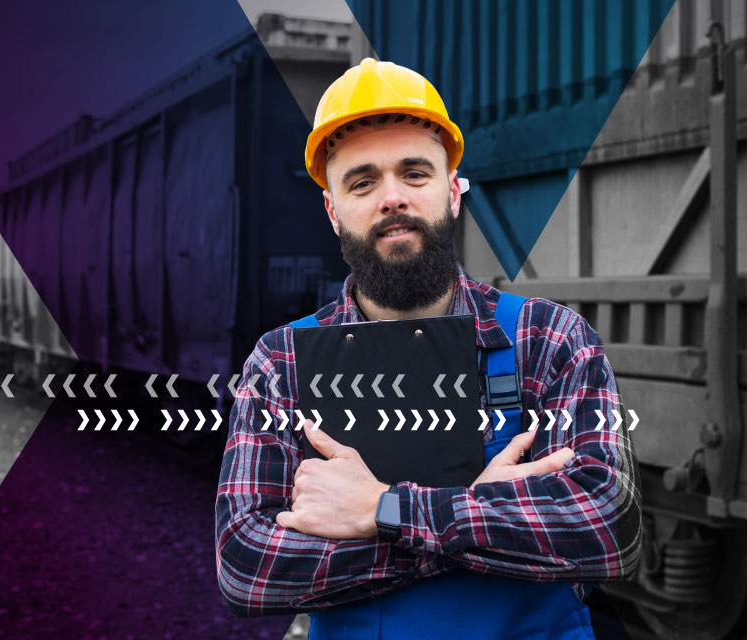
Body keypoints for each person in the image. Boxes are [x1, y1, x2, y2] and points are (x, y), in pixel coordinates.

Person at [214, 58, 641, 639]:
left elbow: (610, 529)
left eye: (415, 173)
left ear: (453, 190)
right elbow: (247, 566)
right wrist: (478, 517)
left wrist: (383, 512)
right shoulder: (282, 363)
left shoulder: (551, 340)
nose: (392, 197)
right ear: (333, 211)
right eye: (362, 181)